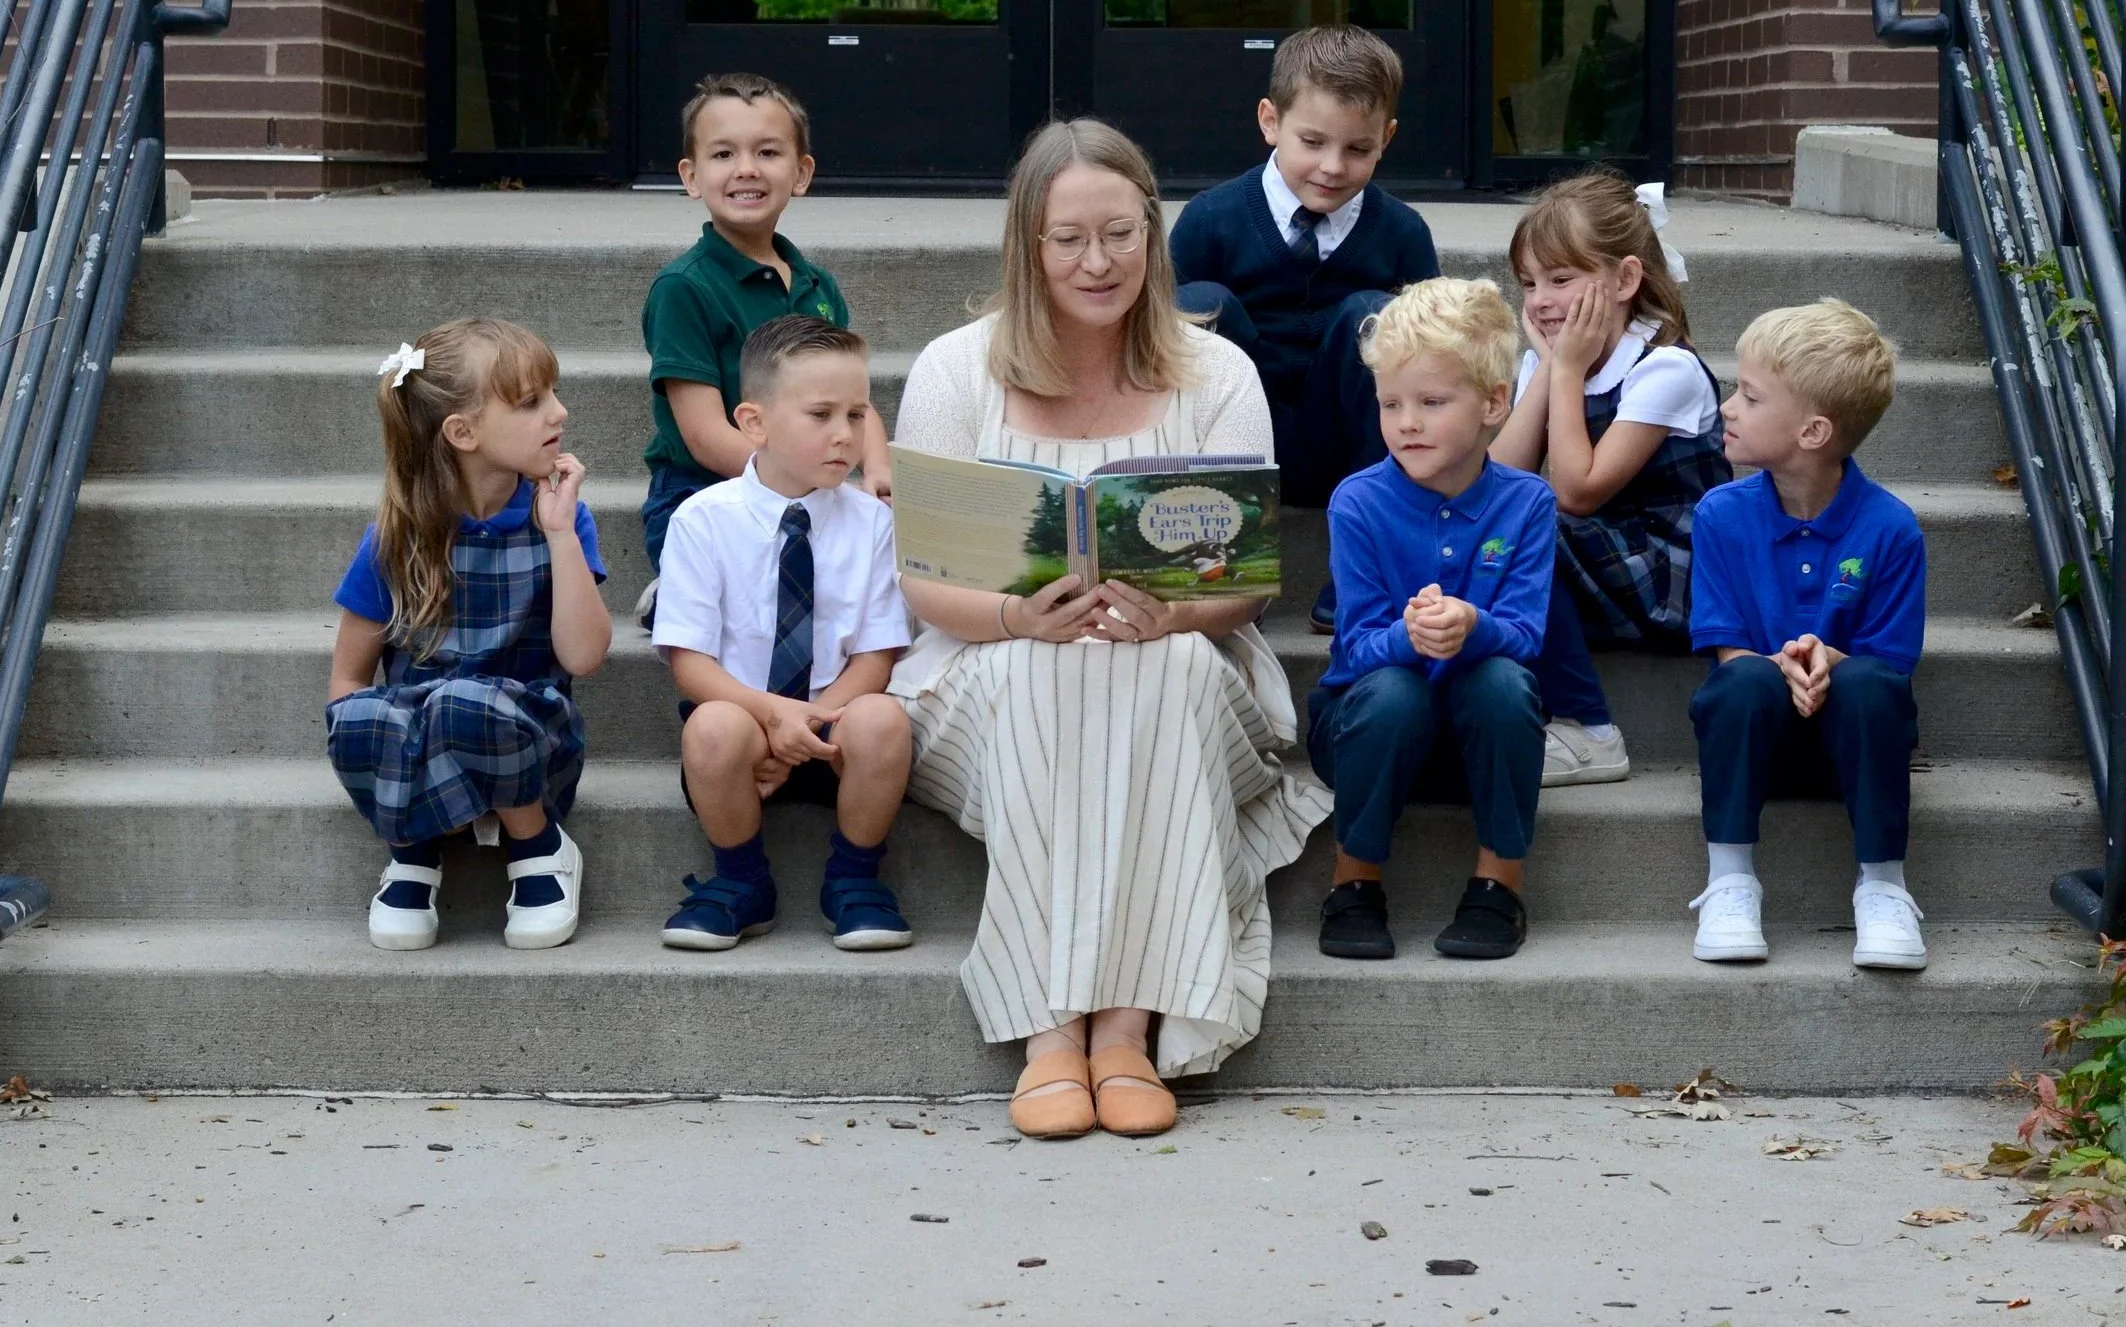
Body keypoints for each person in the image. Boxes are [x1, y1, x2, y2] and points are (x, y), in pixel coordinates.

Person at [892, 118, 1331, 1142]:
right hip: (984, 663)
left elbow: (1247, 578)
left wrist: (1174, 611)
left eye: (1120, 234)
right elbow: (924, 579)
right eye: (1067, 239)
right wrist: (1016, 614)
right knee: (1054, 667)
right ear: (1027, 245)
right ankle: (1052, 1034)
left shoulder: (1215, 370)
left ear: (1152, 234)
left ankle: (1125, 1028)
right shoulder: (955, 371)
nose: (1098, 262)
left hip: (1185, 664)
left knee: (1160, 661)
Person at [327, 318, 612, 952]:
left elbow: (585, 656)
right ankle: (412, 853)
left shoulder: (560, 518)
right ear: (463, 432)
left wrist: (561, 534)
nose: (559, 412)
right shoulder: (396, 536)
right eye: (532, 402)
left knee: (467, 700)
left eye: (553, 394)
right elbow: (347, 680)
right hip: (422, 741)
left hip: (529, 740)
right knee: (360, 715)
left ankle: (539, 848)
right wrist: (375, 744)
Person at [1309, 278, 1556, 964]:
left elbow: (1526, 636)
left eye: (1431, 402)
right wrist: (1408, 636)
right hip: (1366, 729)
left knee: (1503, 682)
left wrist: (1472, 623)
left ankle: (1498, 882)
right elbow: (1353, 650)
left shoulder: (1528, 503)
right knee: (1394, 688)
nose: (1406, 422)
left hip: (1476, 736)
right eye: (1390, 403)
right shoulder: (1356, 502)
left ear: (1494, 403)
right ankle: (1353, 880)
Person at [651, 315, 916, 953]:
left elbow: (877, 655)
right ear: (754, 424)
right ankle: (741, 881)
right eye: (820, 414)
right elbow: (690, 662)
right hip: (744, 738)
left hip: (837, 737)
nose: (844, 435)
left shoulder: (873, 525)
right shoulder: (702, 520)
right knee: (709, 724)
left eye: (856, 416)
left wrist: (814, 724)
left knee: (884, 719)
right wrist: (773, 719)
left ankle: (854, 878)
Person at [1168, 24, 1439, 632]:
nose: (1332, 167)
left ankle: (1367, 570)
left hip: (1352, 438)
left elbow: (1440, 366)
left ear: (1386, 140)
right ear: (1270, 121)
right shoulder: (1210, 220)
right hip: (1240, 428)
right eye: (1312, 141)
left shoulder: (1402, 233)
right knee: (1199, 305)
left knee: (1377, 315)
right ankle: (1214, 564)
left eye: (1358, 150)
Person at [1684, 299, 1928, 971]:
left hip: (1850, 744)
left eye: (1749, 395)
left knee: (1868, 682)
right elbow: (1726, 647)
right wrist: (1777, 663)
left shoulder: (1890, 528)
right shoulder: (1720, 515)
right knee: (1740, 679)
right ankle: (1730, 878)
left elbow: (1888, 669)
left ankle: (1882, 885)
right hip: (1753, 739)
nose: (1728, 406)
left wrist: (1828, 658)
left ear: (1812, 431)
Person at [1495, 171, 1730, 788]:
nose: (1540, 300)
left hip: (1672, 577)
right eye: (1528, 283)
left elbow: (1577, 490)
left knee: (1525, 522)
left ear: (1625, 281)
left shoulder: (1665, 368)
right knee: (1492, 520)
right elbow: (1499, 480)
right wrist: (1550, 369)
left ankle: (1589, 728)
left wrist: (1564, 371)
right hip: (1600, 566)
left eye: (1562, 280)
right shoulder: (1552, 365)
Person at [637, 73, 893, 620]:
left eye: (768, 152)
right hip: (705, 491)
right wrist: (796, 480)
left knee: (863, 574)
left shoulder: (817, 286)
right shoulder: (685, 288)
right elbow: (705, 436)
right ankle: (678, 588)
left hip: (805, 483)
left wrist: (874, 467)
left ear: (800, 174)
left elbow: (855, 401)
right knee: (762, 598)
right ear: (691, 175)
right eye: (724, 153)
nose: (746, 168)